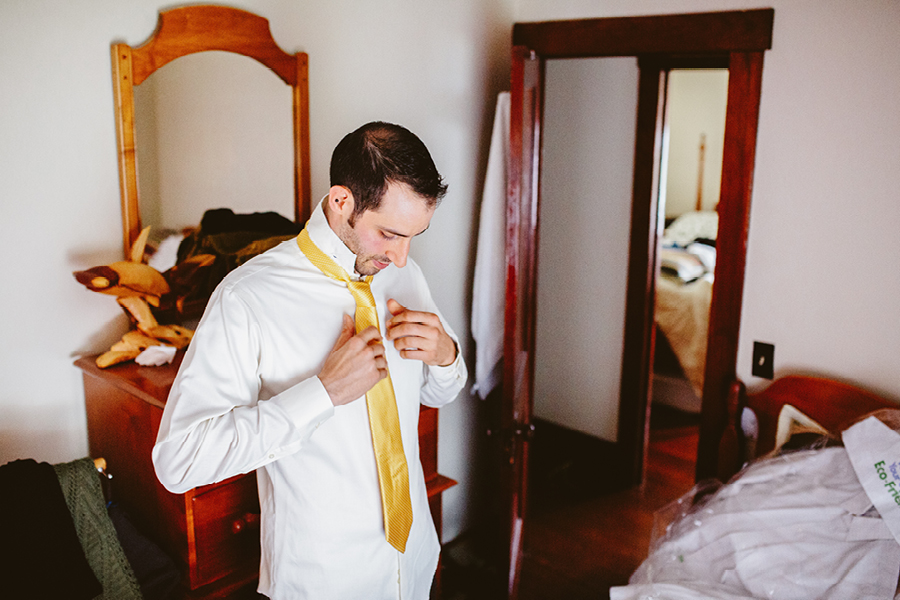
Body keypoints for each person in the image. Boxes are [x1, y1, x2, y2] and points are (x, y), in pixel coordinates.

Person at [152, 121, 467, 600]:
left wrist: (447, 356)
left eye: (413, 236)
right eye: (389, 234)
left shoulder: (405, 277)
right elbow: (179, 460)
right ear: (342, 202)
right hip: (322, 580)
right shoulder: (246, 299)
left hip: (414, 561)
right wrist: (322, 394)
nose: (402, 257)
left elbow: (437, 391)